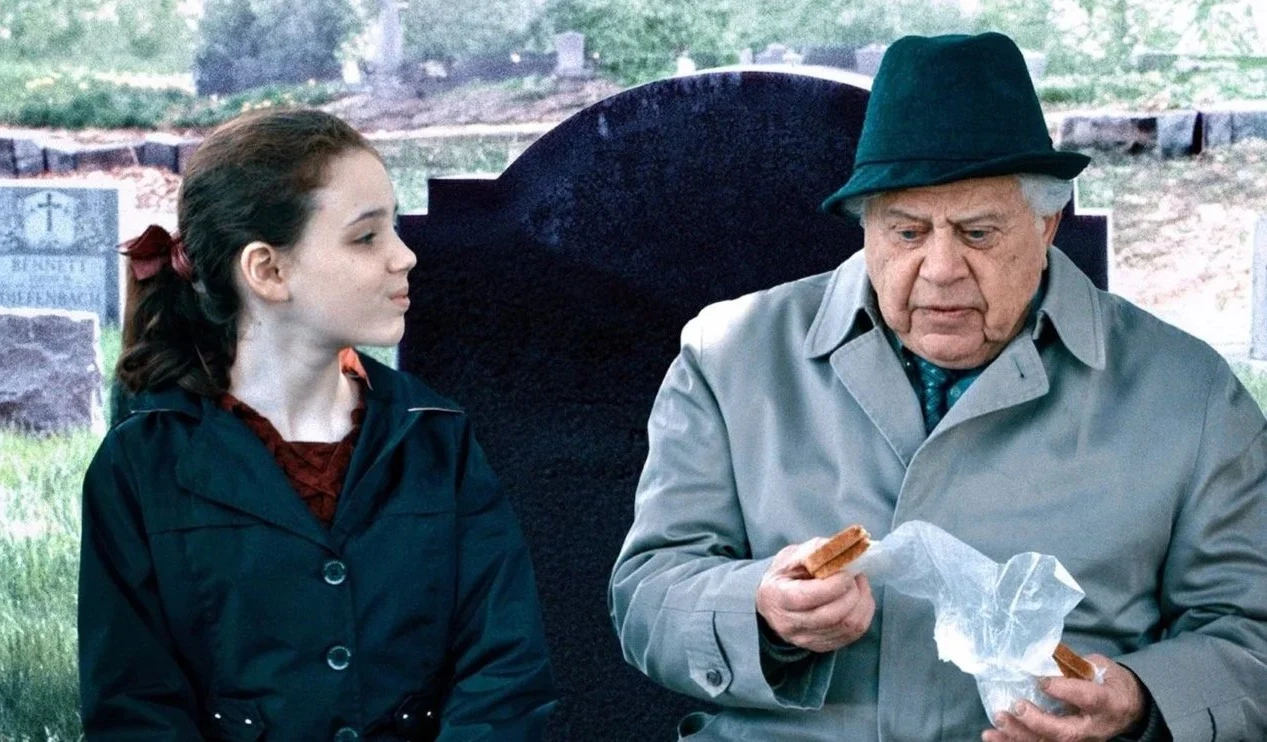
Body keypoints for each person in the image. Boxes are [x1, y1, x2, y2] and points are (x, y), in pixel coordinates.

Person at [610, 32, 1265, 742]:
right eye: (906, 232)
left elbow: (1248, 635)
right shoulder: (731, 355)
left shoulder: (1185, 391)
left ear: (1047, 224)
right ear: (866, 230)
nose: (940, 268)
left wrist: (1138, 703)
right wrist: (757, 611)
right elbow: (646, 594)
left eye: (977, 233)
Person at [79, 108, 556, 741]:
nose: (404, 256)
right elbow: (133, 705)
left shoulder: (436, 437)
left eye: (394, 228)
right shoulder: (143, 463)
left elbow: (505, 672)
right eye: (366, 238)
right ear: (268, 271)